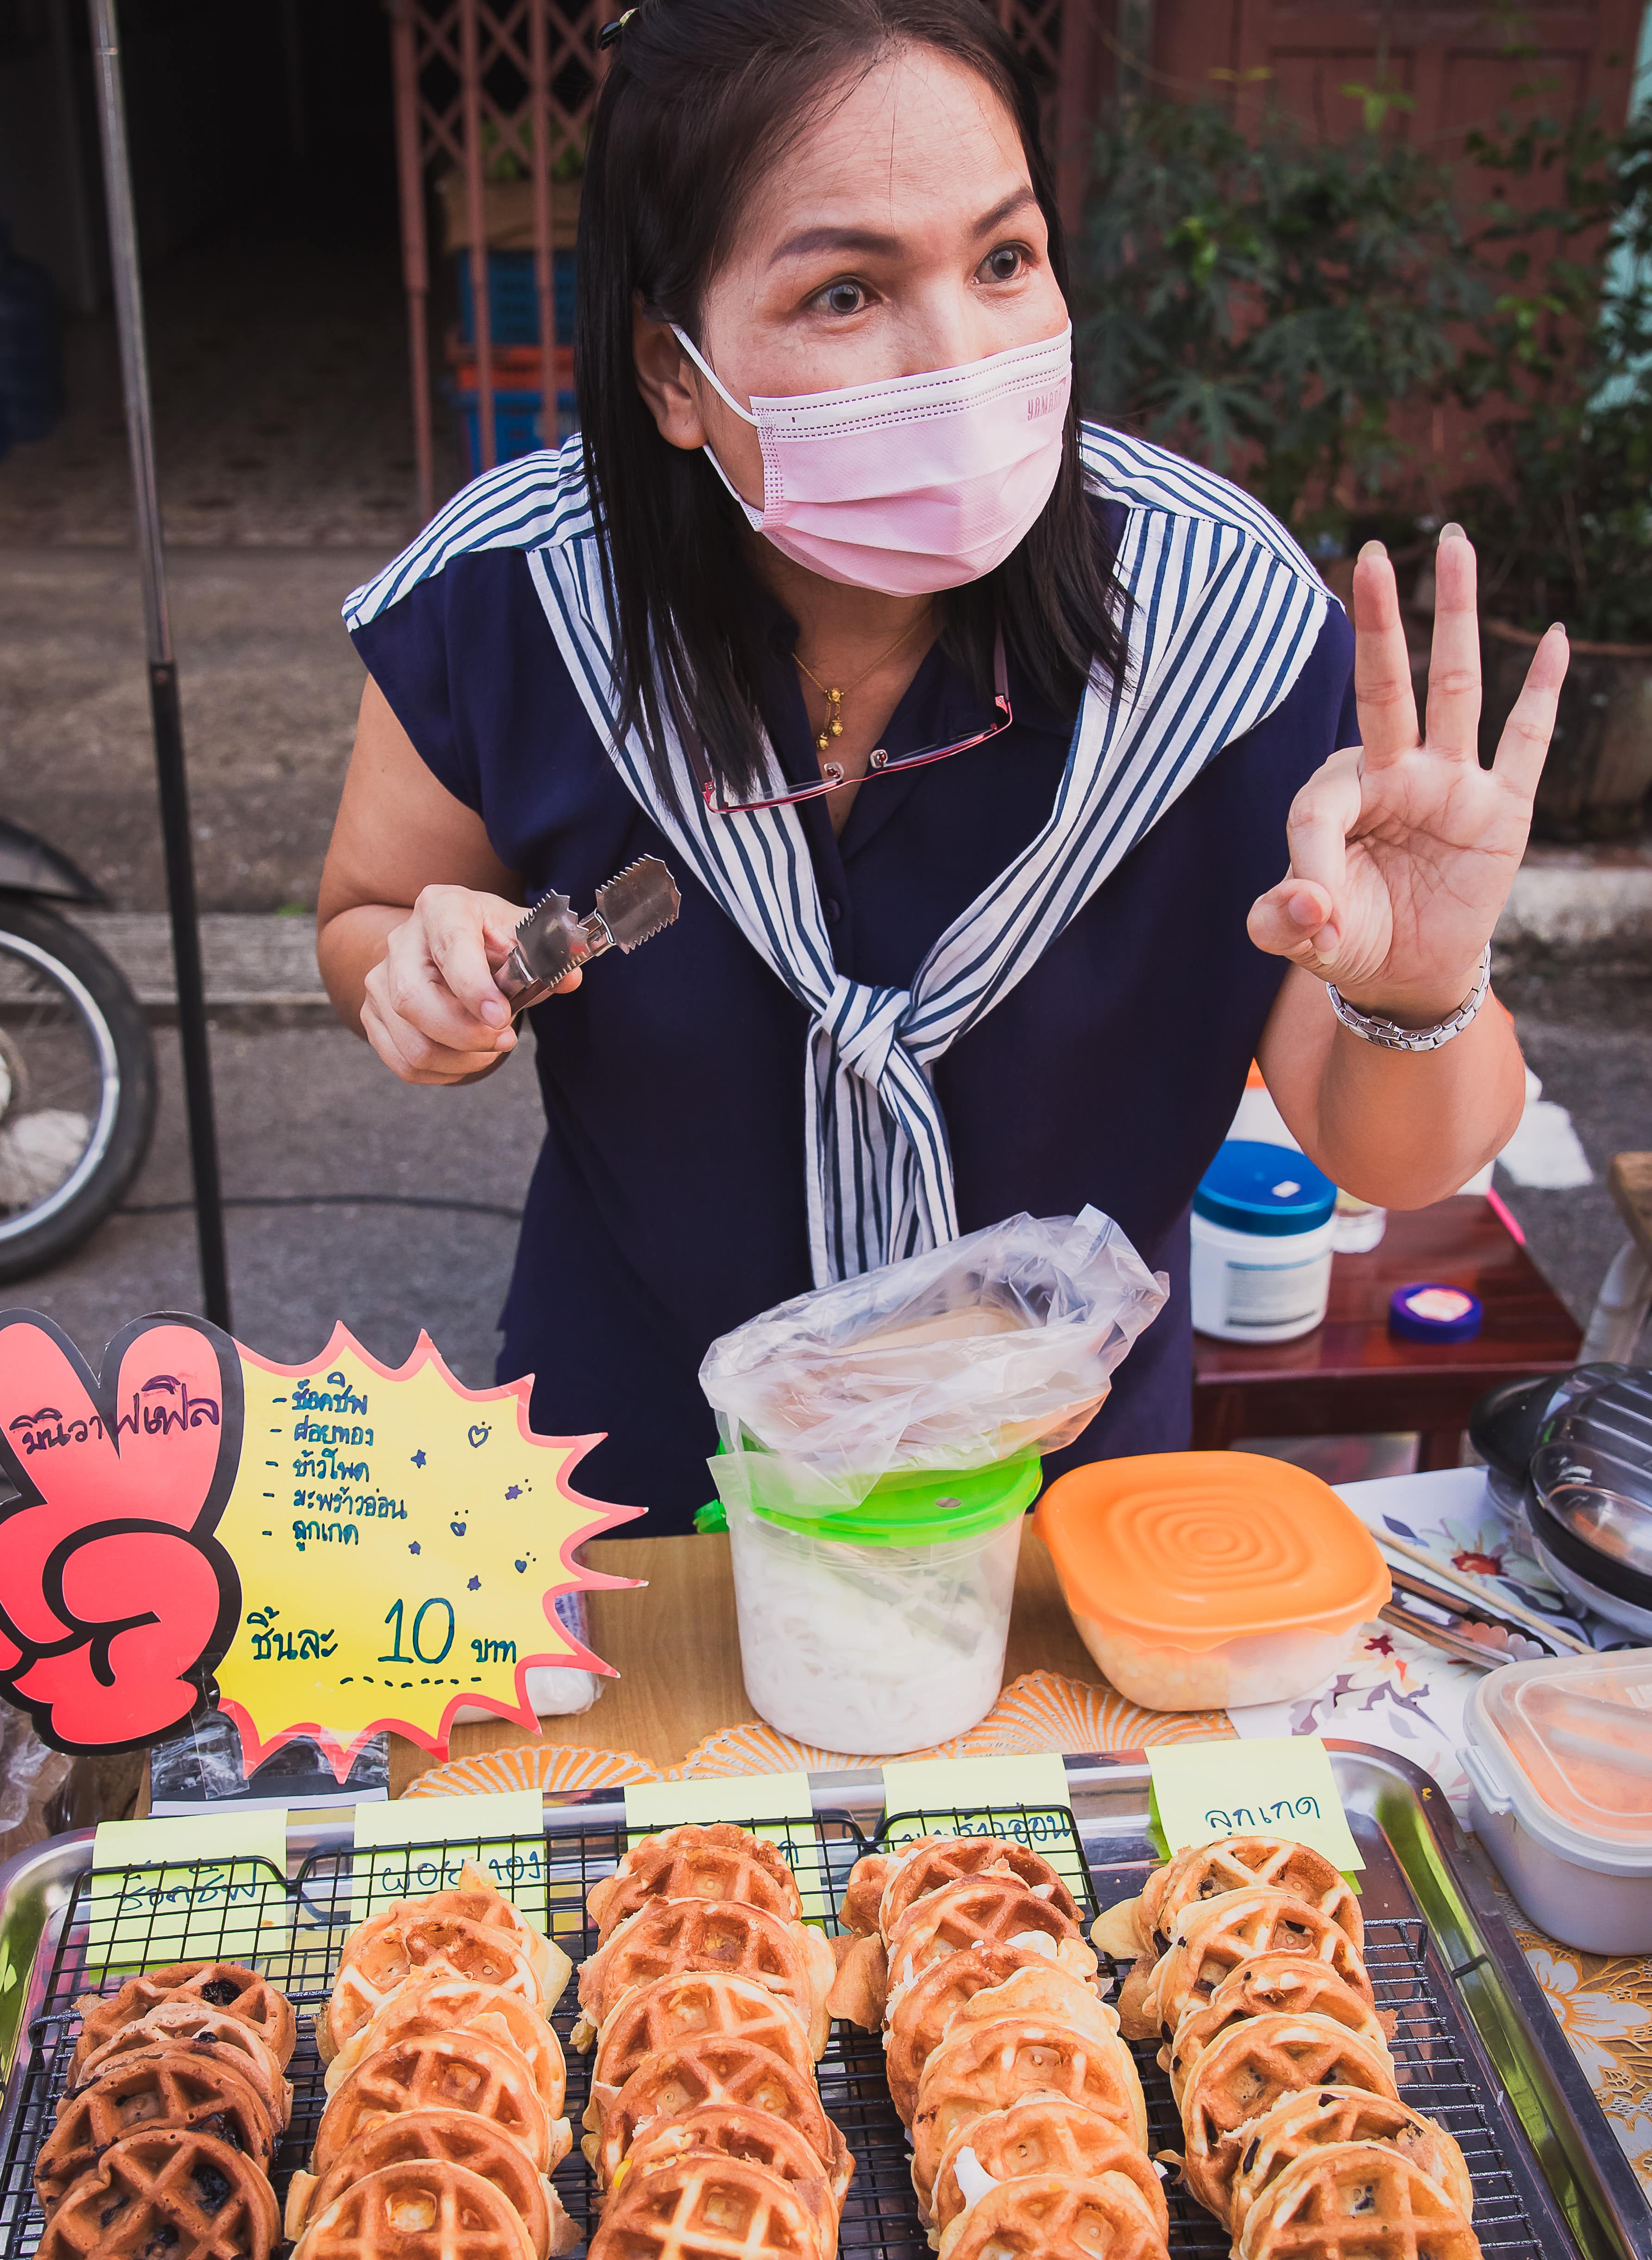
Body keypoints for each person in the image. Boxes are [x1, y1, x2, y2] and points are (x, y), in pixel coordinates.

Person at [318, 0, 1564, 1533]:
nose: (962, 359)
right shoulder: (516, 598)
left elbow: (1396, 1153)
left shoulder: (1223, 633)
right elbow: (366, 912)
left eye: (1003, 261)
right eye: (845, 292)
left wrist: (1424, 988)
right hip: (633, 1468)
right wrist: (417, 979)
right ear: (672, 371)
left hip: (1065, 1511)